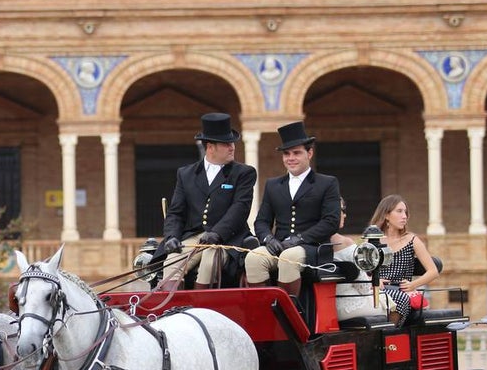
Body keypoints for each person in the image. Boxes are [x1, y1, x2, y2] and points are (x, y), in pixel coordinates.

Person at [157, 113, 256, 290]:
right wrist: (171, 237)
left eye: (232, 143)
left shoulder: (244, 173)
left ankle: (199, 304)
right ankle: (173, 305)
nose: (232, 147)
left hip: (228, 238)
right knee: (172, 261)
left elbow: (240, 209)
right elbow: (176, 212)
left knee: (210, 261)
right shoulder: (186, 173)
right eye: (226, 144)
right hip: (193, 237)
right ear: (210, 147)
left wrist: (217, 233)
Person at [245, 121, 341, 299]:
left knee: (288, 258)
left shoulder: (326, 183)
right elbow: (262, 221)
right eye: (286, 154)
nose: (291, 158)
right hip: (279, 245)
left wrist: (300, 238)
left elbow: (331, 222)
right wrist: (268, 239)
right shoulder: (273, 185)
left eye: (296, 153)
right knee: (253, 257)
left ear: (309, 153)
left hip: (313, 247)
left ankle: (289, 310)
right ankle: (263, 308)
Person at [370, 194, 439, 325]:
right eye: (399, 211)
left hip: (400, 290)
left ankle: (389, 332)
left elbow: (433, 271)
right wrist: (374, 280)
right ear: (386, 215)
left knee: (399, 298)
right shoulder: (373, 240)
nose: (404, 216)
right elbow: (363, 270)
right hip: (378, 288)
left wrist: (413, 284)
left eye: (405, 212)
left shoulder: (411, 239)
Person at [329, 198, 395, 321]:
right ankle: (391, 332)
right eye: (342, 210)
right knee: (391, 301)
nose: (345, 215)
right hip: (347, 306)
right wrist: (373, 281)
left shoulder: (311, 243)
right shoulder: (345, 243)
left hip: (324, 307)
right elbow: (363, 287)